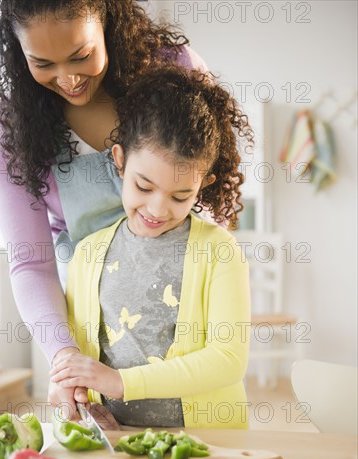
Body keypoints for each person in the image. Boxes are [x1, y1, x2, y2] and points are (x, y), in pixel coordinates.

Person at [0, 0, 208, 412]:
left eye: (81, 55)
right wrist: (64, 355)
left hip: (186, 319)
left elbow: (212, 193)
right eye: (42, 63)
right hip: (95, 334)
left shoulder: (173, 69)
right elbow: (30, 263)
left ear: (107, 21)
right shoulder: (9, 127)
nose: (67, 78)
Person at [49, 66, 254, 429]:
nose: (158, 209)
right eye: (144, 187)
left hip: (206, 446)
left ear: (202, 185)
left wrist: (121, 383)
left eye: (180, 196)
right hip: (118, 443)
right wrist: (66, 383)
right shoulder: (87, 254)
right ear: (120, 160)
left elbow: (228, 358)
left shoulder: (219, 251)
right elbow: (81, 356)